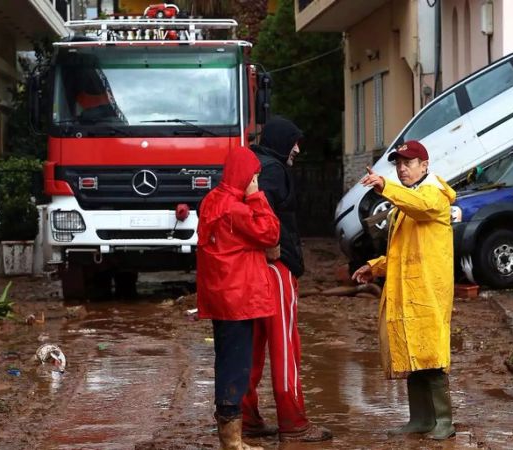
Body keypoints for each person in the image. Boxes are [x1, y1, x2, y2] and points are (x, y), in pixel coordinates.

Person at [352, 140, 458, 440]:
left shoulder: (433, 194)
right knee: (413, 353)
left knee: (431, 356)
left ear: (424, 166)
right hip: (410, 290)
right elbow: (404, 249)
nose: (402, 168)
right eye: (398, 163)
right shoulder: (406, 200)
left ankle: (444, 422)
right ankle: (421, 419)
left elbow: (421, 208)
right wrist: (375, 266)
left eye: (408, 163)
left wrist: (385, 185)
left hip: (427, 290)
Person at [240, 117, 332, 442]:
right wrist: (272, 248)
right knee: (285, 347)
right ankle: (294, 422)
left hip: (247, 270)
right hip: (276, 270)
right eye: (294, 142)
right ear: (281, 142)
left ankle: (245, 419)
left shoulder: (252, 164)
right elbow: (262, 214)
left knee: (248, 348)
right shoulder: (275, 170)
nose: (297, 149)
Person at [196, 145, 280, 450]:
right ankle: (232, 442)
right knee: (236, 366)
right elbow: (271, 232)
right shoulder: (237, 208)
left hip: (220, 296)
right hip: (238, 299)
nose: (255, 180)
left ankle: (230, 436)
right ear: (246, 175)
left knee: (226, 361)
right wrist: (256, 195)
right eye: (254, 175)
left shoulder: (211, 201)